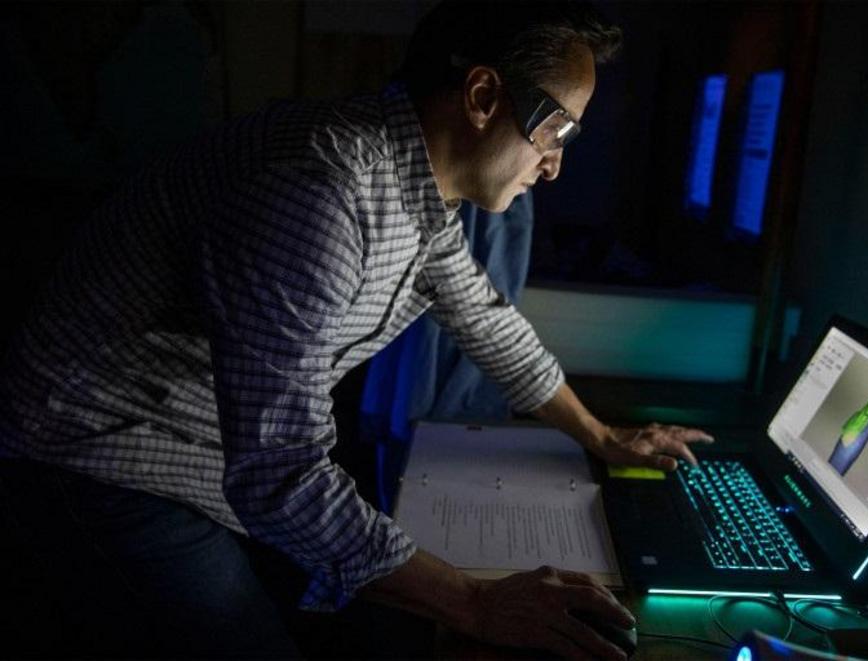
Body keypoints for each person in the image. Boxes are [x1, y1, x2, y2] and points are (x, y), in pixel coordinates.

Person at [0, 1, 713, 659]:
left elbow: (486, 320)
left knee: (370, 620)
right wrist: (477, 603)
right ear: (484, 96)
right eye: (557, 128)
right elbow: (280, 473)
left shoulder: (413, 184)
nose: (556, 163)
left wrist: (603, 437)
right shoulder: (323, 193)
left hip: (206, 454)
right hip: (97, 455)